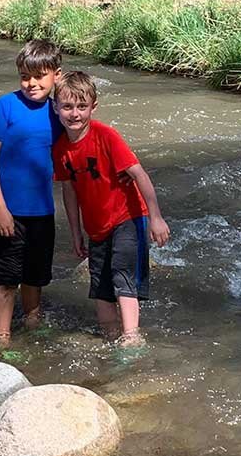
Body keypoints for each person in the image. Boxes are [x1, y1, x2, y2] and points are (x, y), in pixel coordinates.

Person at [52, 71, 170, 344]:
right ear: (56, 108)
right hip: (96, 226)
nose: (74, 114)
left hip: (128, 216)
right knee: (100, 286)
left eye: (82, 107)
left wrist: (156, 218)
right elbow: (68, 190)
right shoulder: (60, 149)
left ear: (94, 107)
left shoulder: (106, 136)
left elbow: (139, 174)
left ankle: (131, 336)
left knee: (122, 274)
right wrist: (76, 233)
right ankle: (109, 336)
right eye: (67, 107)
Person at [0, 39, 64, 347]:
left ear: (56, 74)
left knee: (35, 276)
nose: (31, 83)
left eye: (40, 76)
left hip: (42, 211)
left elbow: (81, 122)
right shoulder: (5, 106)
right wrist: (0, 208)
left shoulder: (59, 111)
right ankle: (2, 337)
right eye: (25, 76)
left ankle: (32, 320)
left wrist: (62, 86)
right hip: (8, 211)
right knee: (6, 279)